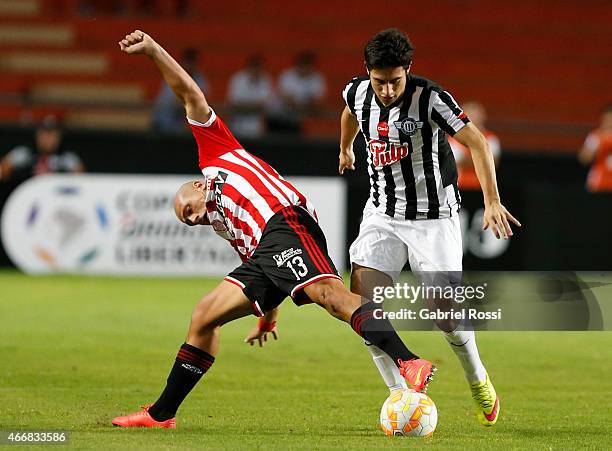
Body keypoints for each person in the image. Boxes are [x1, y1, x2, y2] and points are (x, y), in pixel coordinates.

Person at [112, 30, 435, 429]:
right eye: (188, 221)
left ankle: (408, 361)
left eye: (189, 209)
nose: (193, 218)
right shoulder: (224, 223)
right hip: (268, 245)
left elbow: (190, 95)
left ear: (196, 186)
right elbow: (263, 266)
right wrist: (267, 314)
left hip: (287, 220)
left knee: (330, 297)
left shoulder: (216, 153)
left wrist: (154, 51)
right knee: (203, 317)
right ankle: (162, 415)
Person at [338, 29, 521, 427]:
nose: (386, 90)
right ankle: (399, 394)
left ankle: (477, 377)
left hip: (434, 219)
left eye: (395, 80)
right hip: (382, 214)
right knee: (364, 305)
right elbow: (350, 113)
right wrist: (345, 147)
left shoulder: (431, 98)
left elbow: (478, 143)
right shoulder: (356, 92)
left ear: (409, 71)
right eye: (379, 80)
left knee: (444, 314)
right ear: (367, 72)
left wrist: (491, 200)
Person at [0, 115, 85, 183]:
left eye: (51, 135)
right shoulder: (25, 153)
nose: (47, 139)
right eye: (44, 134)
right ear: (37, 135)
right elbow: (2, 170)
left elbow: (82, 179)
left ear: (59, 137)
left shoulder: (67, 157)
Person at [152, 47, 210, 133]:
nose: (190, 66)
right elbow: (174, 104)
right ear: (183, 62)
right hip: (164, 124)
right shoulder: (172, 76)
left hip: (185, 127)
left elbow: (205, 105)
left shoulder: (200, 79)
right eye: (188, 62)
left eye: (193, 62)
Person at [268, 51, 326, 134]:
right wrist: (306, 103)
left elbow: (318, 102)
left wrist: (298, 103)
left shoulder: (317, 78)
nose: (306, 68)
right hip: (280, 119)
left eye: (309, 65)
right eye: (304, 65)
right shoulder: (287, 76)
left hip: (301, 121)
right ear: (298, 64)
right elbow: (286, 100)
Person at [448, 102, 501, 191]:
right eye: (470, 115)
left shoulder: (491, 138)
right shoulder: (453, 138)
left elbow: (494, 163)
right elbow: (453, 162)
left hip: (485, 188)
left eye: (477, 115)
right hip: (459, 187)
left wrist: (467, 159)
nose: (474, 118)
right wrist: (482, 158)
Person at [226, 55, 273, 138]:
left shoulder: (266, 80)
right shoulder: (238, 79)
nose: (257, 71)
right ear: (249, 67)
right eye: (255, 67)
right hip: (237, 124)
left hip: (257, 126)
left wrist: (245, 106)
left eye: (259, 68)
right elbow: (234, 103)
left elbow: (265, 105)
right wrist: (254, 106)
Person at [578, 104, 612, 192]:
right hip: (600, 181)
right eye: (607, 119)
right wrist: (599, 148)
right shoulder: (596, 137)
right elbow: (584, 158)